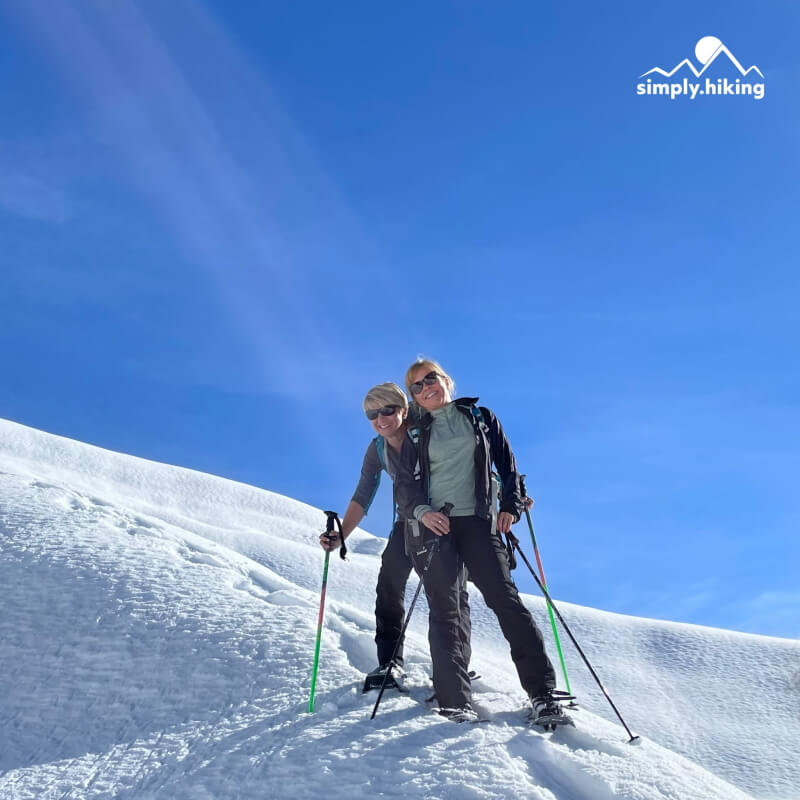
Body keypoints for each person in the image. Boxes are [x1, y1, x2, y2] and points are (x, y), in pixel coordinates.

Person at [394, 358, 570, 726]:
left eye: (431, 379)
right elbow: (405, 489)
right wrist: (423, 512)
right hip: (436, 528)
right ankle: (453, 699)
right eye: (416, 386)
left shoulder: (480, 417)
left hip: (478, 522)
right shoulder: (414, 433)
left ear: (446, 380)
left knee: (506, 602)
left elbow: (507, 468)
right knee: (446, 612)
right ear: (413, 397)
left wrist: (511, 506)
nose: (426, 388)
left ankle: (542, 694)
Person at [319, 381, 471, 691]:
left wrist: (502, 490)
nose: (380, 419)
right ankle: (389, 661)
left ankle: (456, 666)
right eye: (372, 414)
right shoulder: (377, 449)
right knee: (389, 582)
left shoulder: (429, 430)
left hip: (447, 518)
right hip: (407, 523)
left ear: (402, 410)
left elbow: (466, 459)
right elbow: (363, 495)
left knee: (451, 592)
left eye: (387, 410)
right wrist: (341, 537)